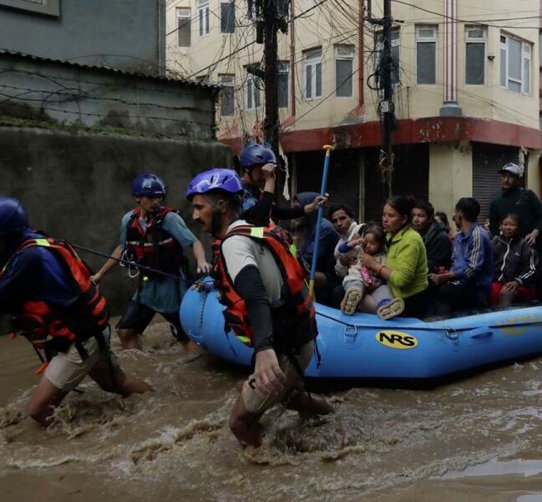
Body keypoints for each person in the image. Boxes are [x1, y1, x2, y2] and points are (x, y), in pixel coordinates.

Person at [0, 196, 152, 427]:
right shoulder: (38, 242)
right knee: (115, 383)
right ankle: (160, 406)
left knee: (37, 410)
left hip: (79, 340)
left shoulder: (28, 259)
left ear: (3, 234)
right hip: (90, 330)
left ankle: (84, 449)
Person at [186, 168, 332, 448]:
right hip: (298, 336)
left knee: (239, 423)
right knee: (293, 398)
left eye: (198, 207)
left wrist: (264, 350)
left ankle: (271, 473)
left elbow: (255, 295)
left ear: (221, 205)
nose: (194, 215)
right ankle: (330, 416)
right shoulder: (247, 226)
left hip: (283, 346)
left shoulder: (234, 244)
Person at [91, 174, 209, 353]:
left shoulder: (170, 219)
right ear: (138, 197)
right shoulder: (128, 220)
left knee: (188, 338)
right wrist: (100, 274)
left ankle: (193, 366)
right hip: (147, 288)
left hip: (173, 289)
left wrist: (201, 260)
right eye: (151, 197)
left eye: (159, 197)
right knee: (124, 332)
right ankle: (146, 363)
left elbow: (194, 242)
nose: (156, 201)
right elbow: (122, 248)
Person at [357, 195, 430, 318]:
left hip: (409, 300)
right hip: (391, 290)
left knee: (359, 300)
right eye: (384, 214)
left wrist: (374, 265)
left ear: (404, 219)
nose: (385, 219)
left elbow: (402, 280)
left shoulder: (410, 240)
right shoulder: (390, 235)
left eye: (391, 216)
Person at [429, 198, 493, 314]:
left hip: (476, 289)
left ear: (460, 214)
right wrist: (443, 273)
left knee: (443, 291)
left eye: (455, 212)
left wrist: (448, 277)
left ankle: (443, 326)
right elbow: (455, 264)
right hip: (458, 284)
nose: (453, 216)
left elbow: (472, 270)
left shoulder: (478, 234)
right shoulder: (458, 237)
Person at [237, 143, 326, 226]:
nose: (265, 175)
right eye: (261, 171)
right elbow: (260, 217)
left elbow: (280, 213)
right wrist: (270, 180)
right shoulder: (238, 190)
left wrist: (312, 206)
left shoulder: (256, 191)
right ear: (247, 169)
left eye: (268, 171)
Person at [338, 223, 404, 319]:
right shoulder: (358, 249)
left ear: (380, 245)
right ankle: (352, 299)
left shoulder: (383, 256)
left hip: (374, 284)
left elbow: (384, 273)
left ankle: (386, 307)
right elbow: (341, 249)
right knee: (355, 286)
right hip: (356, 278)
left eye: (372, 243)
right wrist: (353, 243)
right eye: (366, 242)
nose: (368, 245)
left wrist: (379, 282)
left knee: (384, 290)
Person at [487, 162, 542, 248]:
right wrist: (500, 241)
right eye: (503, 176)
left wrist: (535, 233)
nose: (506, 180)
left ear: (517, 179)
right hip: (508, 247)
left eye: (510, 177)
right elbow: (493, 227)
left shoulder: (528, 195)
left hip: (530, 244)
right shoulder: (496, 202)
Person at [490, 213, 537, 307]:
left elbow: (532, 269)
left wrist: (517, 281)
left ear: (518, 227)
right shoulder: (495, 242)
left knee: (506, 293)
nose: (508, 228)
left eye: (512, 225)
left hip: (519, 284)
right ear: (500, 226)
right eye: (505, 224)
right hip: (497, 281)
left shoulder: (524, 245)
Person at [411, 199, 452, 274]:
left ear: (430, 219)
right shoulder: (412, 234)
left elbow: (435, 265)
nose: (415, 219)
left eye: (420, 216)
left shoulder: (441, 237)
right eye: (413, 215)